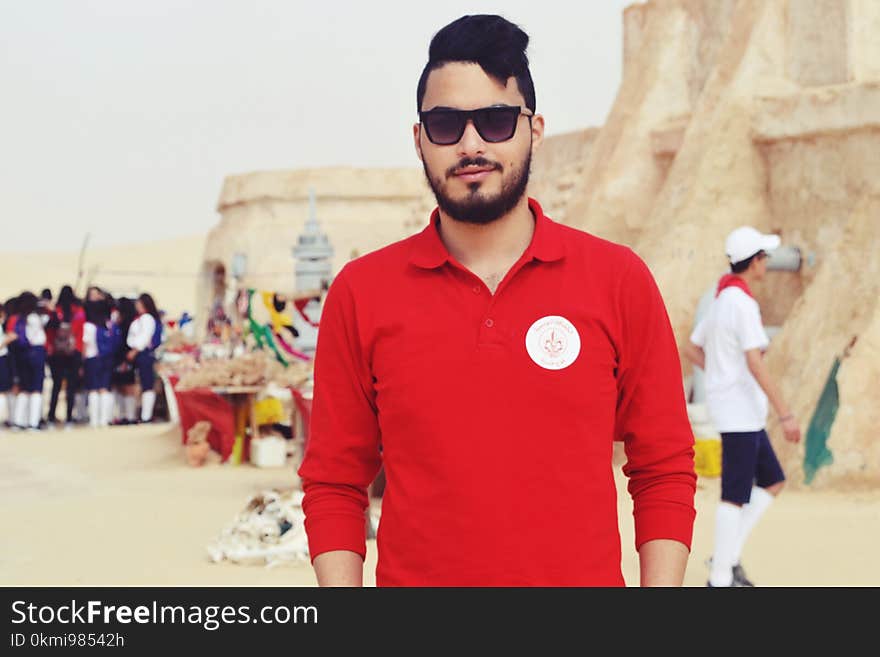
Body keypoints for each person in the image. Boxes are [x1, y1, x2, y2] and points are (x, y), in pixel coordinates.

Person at [298, 15, 696, 587]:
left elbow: (662, 465)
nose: (470, 144)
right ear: (419, 141)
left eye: (494, 120)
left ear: (533, 131)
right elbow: (335, 481)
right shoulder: (363, 292)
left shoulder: (616, 280)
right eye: (445, 125)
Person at [684, 226, 802, 587]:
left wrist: (719, 375)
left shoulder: (722, 301)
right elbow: (755, 362)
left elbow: (692, 347)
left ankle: (726, 556)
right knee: (734, 494)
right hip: (739, 412)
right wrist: (785, 414)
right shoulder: (742, 304)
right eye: (764, 257)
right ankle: (720, 578)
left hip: (738, 410)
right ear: (753, 262)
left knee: (773, 481)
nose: (767, 263)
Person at [45, 285, 85, 427]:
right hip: (74, 352)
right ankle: (69, 417)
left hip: (58, 353)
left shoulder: (56, 311)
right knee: (71, 386)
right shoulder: (79, 312)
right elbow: (80, 333)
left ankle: (51, 416)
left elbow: (49, 332)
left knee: (56, 385)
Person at [14, 291, 49, 431]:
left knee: (24, 388)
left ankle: (19, 421)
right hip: (37, 352)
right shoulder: (36, 317)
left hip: (24, 354)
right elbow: (50, 319)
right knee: (36, 388)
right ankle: (33, 422)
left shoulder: (21, 318)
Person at [126, 293, 160, 424]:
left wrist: (135, 351)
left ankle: (146, 415)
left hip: (144, 353)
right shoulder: (139, 319)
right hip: (139, 352)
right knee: (142, 383)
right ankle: (143, 413)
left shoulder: (147, 319)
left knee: (147, 384)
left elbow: (144, 338)